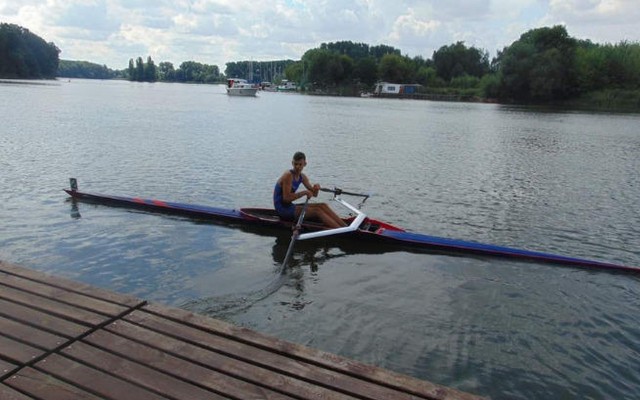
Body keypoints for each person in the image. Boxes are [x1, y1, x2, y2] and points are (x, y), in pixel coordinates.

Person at [274, 152, 346, 229]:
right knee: (317, 211)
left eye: (300, 164)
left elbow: (314, 194)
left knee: (323, 205)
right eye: (295, 164)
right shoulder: (288, 175)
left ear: (305, 164)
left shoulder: (302, 177)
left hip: (289, 206)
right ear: (292, 163)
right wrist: (304, 192)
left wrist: (316, 188)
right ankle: (342, 231)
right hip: (282, 210)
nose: (297, 167)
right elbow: (286, 199)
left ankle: (345, 227)